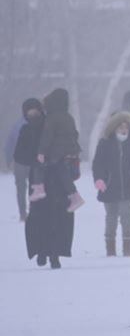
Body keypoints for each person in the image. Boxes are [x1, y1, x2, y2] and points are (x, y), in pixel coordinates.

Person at [20, 97, 74, 269]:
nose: (33, 114)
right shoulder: (26, 130)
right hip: (38, 180)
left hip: (56, 178)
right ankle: (42, 250)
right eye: (29, 112)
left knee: (57, 217)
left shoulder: (52, 125)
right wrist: (37, 158)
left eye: (35, 110)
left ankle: (54, 254)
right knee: (39, 217)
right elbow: (20, 155)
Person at [92, 112, 130, 257]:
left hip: (127, 185)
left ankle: (128, 247)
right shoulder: (105, 143)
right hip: (109, 186)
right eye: (120, 126)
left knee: (126, 214)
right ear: (114, 127)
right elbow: (98, 164)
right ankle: (110, 247)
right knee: (111, 216)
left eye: (126, 126)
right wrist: (99, 179)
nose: (123, 129)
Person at [32, 88, 85, 213]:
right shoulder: (68, 117)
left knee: (39, 165)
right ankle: (74, 196)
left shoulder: (52, 117)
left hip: (57, 152)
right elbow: (75, 133)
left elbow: (47, 136)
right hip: (71, 151)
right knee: (63, 172)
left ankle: (39, 188)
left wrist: (41, 152)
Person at [10, 101, 42, 222]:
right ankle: (24, 213)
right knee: (27, 188)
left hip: (25, 162)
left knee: (28, 188)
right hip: (23, 162)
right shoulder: (25, 127)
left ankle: (27, 213)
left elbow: (12, 144)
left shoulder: (20, 126)